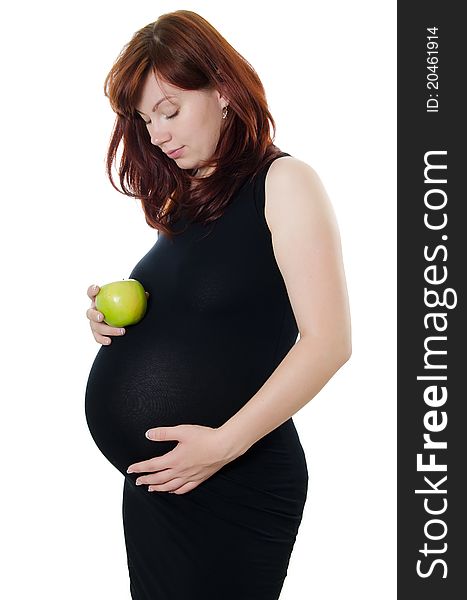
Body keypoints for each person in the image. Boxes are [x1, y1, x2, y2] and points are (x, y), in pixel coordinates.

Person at [84, 9, 351, 600]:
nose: (156, 134)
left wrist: (222, 446)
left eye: (170, 110)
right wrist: (115, 319)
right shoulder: (192, 198)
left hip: (235, 480)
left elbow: (329, 342)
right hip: (165, 485)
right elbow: (212, 321)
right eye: (144, 118)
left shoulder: (286, 182)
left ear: (224, 91)